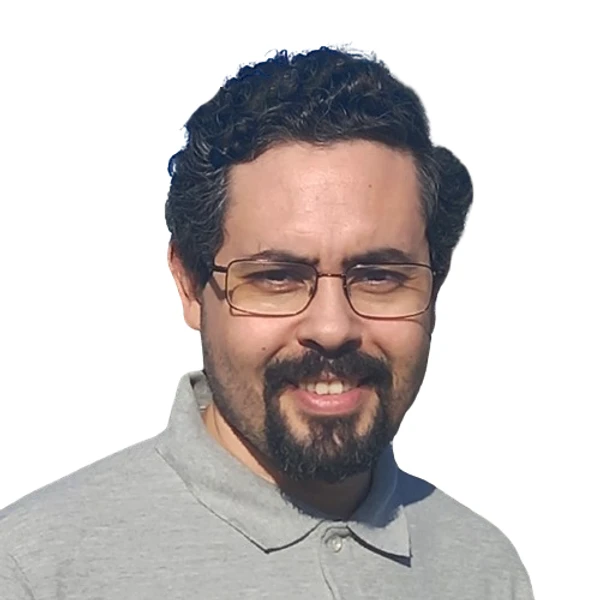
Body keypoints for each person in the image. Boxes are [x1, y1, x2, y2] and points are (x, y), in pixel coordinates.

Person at [0, 47, 534, 599]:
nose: (332, 327)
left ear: (434, 290)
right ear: (190, 286)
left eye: (378, 276)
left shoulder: (483, 570)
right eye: (278, 277)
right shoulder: (37, 572)